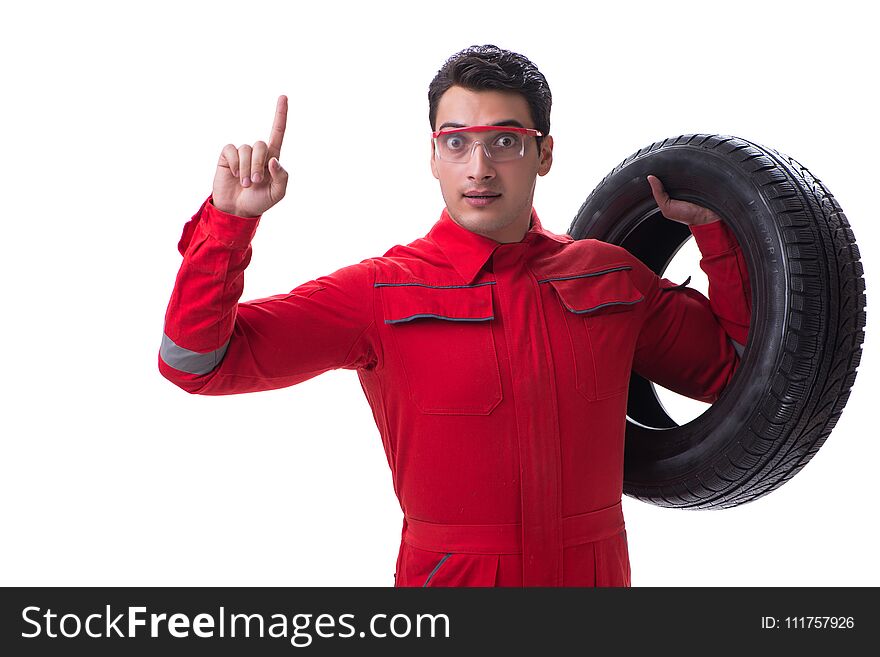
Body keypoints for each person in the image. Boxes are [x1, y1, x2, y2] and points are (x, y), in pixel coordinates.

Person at [159, 44, 751, 587]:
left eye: (505, 141)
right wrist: (228, 225)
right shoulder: (382, 291)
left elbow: (733, 375)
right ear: (434, 157)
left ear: (543, 153)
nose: (479, 168)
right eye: (457, 142)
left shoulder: (610, 277)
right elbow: (199, 363)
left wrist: (718, 233)